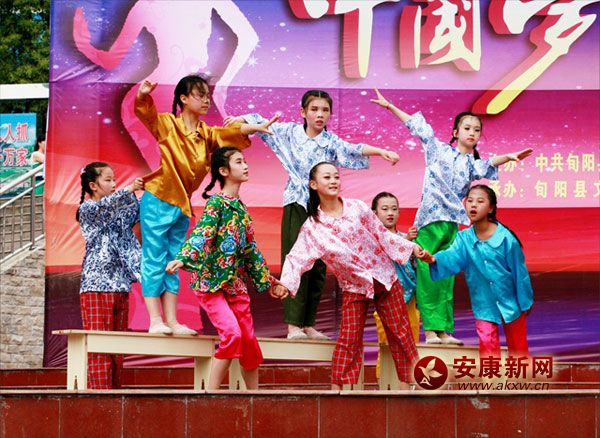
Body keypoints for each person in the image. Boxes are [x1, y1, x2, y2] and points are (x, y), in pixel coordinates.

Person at [225, 90, 400, 340]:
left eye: (325, 110)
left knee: (318, 264)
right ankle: (293, 325)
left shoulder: (330, 142)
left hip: (321, 207)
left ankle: (308, 323)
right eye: (314, 109)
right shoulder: (288, 132)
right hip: (297, 202)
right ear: (303, 112)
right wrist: (242, 119)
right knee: (296, 261)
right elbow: (258, 121)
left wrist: (381, 151)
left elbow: (355, 149)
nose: (320, 114)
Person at [371, 88, 533, 345]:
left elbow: (489, 163)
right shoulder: (438, 150)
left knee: (446, 277)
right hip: (430, 222)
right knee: (428, 273)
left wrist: (508, 157)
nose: (472, 132)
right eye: (467, 128)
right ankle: (431, 331)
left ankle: (443, 330)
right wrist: (390, 106)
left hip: (452, 225)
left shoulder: (472, 164)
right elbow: (417, 126)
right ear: (456, 132)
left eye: (477, 129)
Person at [135, 75, 277, 334]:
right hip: (158, 198)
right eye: (199, 95)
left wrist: (254, 127)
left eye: (207, 96)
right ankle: (155, 320)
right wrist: (143, 95)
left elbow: (228, 134)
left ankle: (172, 320)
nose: (206, 100)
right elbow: (146, 113)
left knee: (175, 260)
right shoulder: (168, 124)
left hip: (181, 205)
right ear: (183, 98)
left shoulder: (206, 133)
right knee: (154, 258)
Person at [273, 162, 426, 390]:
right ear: (313, 184)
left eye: (336, 176)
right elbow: (297, 258)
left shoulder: (357, 208)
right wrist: (285, 284)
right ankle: (338, 390)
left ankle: (412, 385)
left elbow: (382, 235)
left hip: (384, 277)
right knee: (349, 337)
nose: (334, 181)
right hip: (354, 285)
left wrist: (411, 247)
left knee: (400, 332)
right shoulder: (313, 227)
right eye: (327, 177)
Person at [166, 147, 287, 390]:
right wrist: (184, 257)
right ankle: (210, 396)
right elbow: (204, 231)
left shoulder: (241, 209)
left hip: (235, 285)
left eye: (245, 161)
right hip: (211, 283)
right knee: (233, 335)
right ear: (224, 171)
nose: (246, 166)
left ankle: (254, 398)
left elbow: (251, 250)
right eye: (239, 162)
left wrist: (270, 282)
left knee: (249, 342)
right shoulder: (216, 203)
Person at [421, 185, 533, 358]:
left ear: (491, 208)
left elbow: (520, 273)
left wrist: (525, 302)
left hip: (510, 300)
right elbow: (452, 255)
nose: (473, 205)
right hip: (483, 301)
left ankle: (521, 375)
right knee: (487, 343)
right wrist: (434, 259)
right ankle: (490, 376)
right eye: (470, 201)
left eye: (480, 201)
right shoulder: (464, 238)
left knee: (519, 349)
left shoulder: (506, 239)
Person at [76, 162, 143, 389]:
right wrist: (129, 188)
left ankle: (116, 395)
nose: (114, 184)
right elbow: (106, 205)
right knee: (99, 348)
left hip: (120, 285)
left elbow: (137, 213)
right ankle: (100, 397)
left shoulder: (119, 207)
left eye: (114, 179)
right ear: (93, 185)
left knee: (117, 348)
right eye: (108, 180)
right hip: (96, 286)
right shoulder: (87, 209)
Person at [371, 192, 420, 345]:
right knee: (387, 348)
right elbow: (385, 252)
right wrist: (406, 241)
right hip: (386, 298)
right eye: (385, 209)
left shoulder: (409, 238)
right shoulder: (372, 238)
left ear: (399, 212)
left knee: (412, 346)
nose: (390, 213)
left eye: (394, 209)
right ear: (374, 213)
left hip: (410, 298)